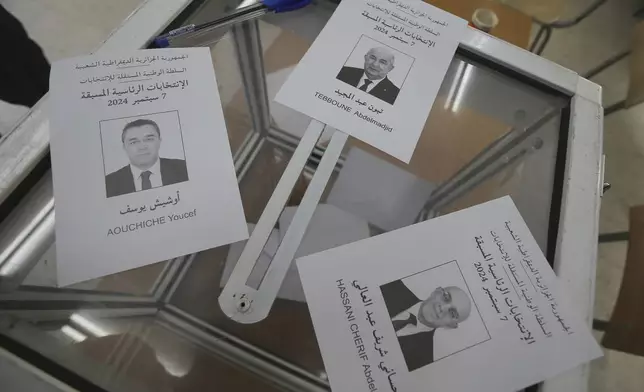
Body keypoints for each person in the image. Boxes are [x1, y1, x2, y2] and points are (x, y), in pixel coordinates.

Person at [380, 279, 472, 371]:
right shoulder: (390, 286)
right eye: (446, 297)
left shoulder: (421, 361)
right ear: (436, 291)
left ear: (452, 325)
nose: (442, 308)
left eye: (452, 313)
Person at [105, 119, 188, 198]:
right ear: (124, 147)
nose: (142, 147)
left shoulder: (185, 168)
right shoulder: (109, 183)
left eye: (149, 139)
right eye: (133, 142)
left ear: (159, 141)